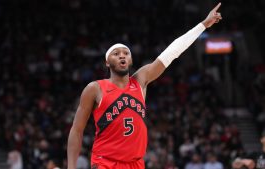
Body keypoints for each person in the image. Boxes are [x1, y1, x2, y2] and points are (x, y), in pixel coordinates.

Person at [67, 3, 223, 169]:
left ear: (131, 60)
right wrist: (71, 166)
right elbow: (76, 130)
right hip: (105, 162)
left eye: (126, 53)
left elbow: (170, 53)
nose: (122, 56)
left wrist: (203, 25)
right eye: (116, 53)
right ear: (107, 62)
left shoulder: (140, 81)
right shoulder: (95, 88)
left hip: (136, 163)